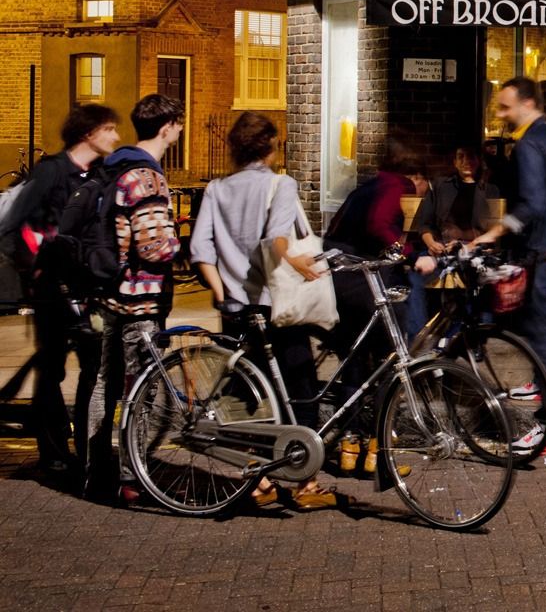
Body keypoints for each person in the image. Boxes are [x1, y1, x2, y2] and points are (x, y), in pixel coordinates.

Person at [190, 112, 335, 510]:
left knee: (249, 395)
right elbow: (277, 238)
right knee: (299, 387)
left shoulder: (216, 189)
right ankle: (305, 482)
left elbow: (201, 250)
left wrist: (223, 293)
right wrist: (303, 265)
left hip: (236, 308)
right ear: (270, 145)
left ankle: (258, 479)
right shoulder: (280, 184)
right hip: (276, 306)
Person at [0, 104, 119, 482]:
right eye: (109, 129)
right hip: (50, 288)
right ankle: (52, 453)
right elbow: (12, 224)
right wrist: (31, 272)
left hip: (87, 288)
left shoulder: (101, 174)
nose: (115, 137)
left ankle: (87, 450)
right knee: (51, 370)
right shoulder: (51, 171)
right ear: (89, 133)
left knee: (92, 370)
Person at [83, 94, 184, 503]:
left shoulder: (113, 167)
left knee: (105, 383)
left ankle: (94, 470)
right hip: (140, 298)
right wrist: (180, 241)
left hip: (110, 294)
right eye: (179, 124)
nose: (179, 130)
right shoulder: (146, 178)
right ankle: (133, 477)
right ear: (168, 127)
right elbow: (155, 246)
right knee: (140, 390)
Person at [471, 76, 546, 456]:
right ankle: (539, 381)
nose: (500, 113)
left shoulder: (529, 144)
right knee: (537, 330)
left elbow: (531, 203)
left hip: (539, 250)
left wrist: (493, 233)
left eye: (505, 106)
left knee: (541, 335)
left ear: (528, 104)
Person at [324, 149, 437, 344]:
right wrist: (412, 256)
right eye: (427, 188)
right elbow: (379, 223)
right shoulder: (400, 185)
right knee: (395, 313)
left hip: (341, 256)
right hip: (352, 262)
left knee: (362, 328)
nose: (421, 198)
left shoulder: (379, 182)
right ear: (419, 178)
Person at [415, 147, 497, 254]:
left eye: (471, 156)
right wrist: (432, 244)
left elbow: (492, 229)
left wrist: (464, 244)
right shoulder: (439, 186)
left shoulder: (490, 190)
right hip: (442, 246)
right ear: (455, 162)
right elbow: (424, 223)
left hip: (474, 248)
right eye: (461, 157)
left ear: (478, 161)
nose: (466, 161)